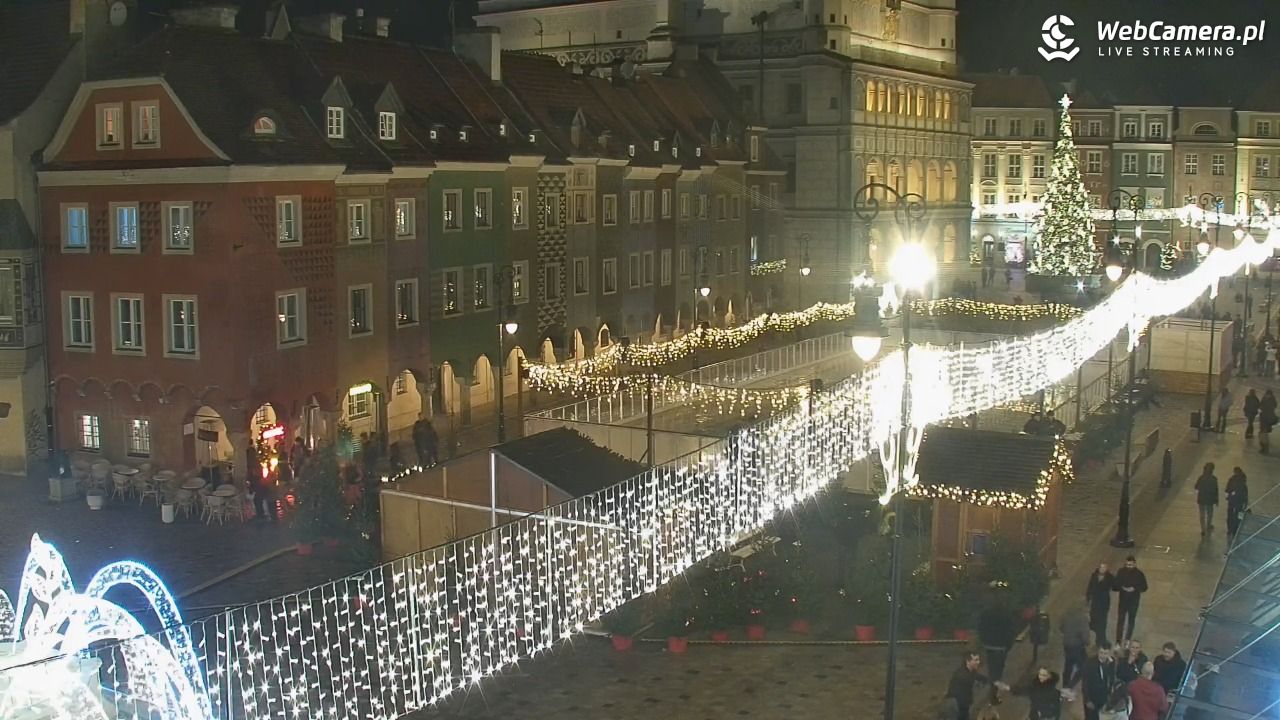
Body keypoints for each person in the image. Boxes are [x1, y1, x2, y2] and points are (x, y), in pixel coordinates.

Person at [945, 652, 1008, 720]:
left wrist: (994, 682)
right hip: (955, 705)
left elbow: (981, 678)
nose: (978, 662)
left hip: (962, 704)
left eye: (978, 660)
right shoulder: (962, 675)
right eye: (976, 660)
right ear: (968, 661)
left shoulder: (970, 671)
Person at [977, 598, 1015, 683]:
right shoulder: (1006, 615)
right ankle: (996, 682)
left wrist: (983, 640)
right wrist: (1009, 644)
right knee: (999, 666)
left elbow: (981, 628)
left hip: (989, 645)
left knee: (991, 665)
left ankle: (992, 681)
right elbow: (1011, 631)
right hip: (1001, 646)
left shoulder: (986, 614)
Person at [1113, 556, 1148, 643]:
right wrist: (1122, 587)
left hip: (1134, 601)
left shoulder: (1139, 574)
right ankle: (1118, 640)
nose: (1129, 567)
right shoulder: (1121, 572)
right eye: (1127, 565)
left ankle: (1128, 639)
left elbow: (1144, 587)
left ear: (1134, 564)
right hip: (1123, 600)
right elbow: (1115, 585)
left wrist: (1135, 588)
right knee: (1121, 620)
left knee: (1131, 620)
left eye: (1131, 565)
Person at [1082, 645, 1118, 720]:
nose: (1103, 656)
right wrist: (1087, 700)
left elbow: (1111, 677)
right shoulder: (1090, 663)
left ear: (1109, 653)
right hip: (1092, 696)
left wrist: (1110, 693)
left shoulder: (1111, 662)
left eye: (1105, 653)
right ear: (1098, 652)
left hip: (1104, 696)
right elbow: (1085, 682)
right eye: (1101, 653)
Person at [1060, 605, 1090, 689]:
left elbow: (1061, 628)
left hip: (1066, 645)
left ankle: (1064, 686)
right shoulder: (1083, 618)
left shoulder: (1066, 615)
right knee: (1084, 667)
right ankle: (1070, 686)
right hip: (1077, 647)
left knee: (1068, 666)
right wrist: (1087, 642)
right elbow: (1085, 636)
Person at [1086, 562, 1115, 648]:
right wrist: (1088, 597)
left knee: (1102, 622)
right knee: (1094, 620)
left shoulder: (1110, 577)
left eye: (1104, 567)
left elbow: (1114, 586)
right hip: (1095, 602)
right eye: (1101, 567)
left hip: (1103, 603)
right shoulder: (1094, 576)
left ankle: (1101, 639)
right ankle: (1096, 636)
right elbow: (1090, 586)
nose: (1102, 569)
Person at [1195, 462, 1219, 537]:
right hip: (1210, 500)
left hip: (1201, 499)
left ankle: (1203, 530)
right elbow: (1216, 490)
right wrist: (1216, 500)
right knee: (1209, 514)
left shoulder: (1201, 478)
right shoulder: (1214, 479)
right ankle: (1208, 525)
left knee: (1202, 515)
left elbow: (1196, 487)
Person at [1226, 466, 1250, 542]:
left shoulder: (1231, 480)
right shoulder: (1243, 482)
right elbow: (1245, 494)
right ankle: (1235, 529)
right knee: (1238, 516)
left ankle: (1230, 529)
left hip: (1232, 502)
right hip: (1240, 502)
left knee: (1230, 515)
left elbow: (1227, 490)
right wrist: (1245, 503)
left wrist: (1229, 496)